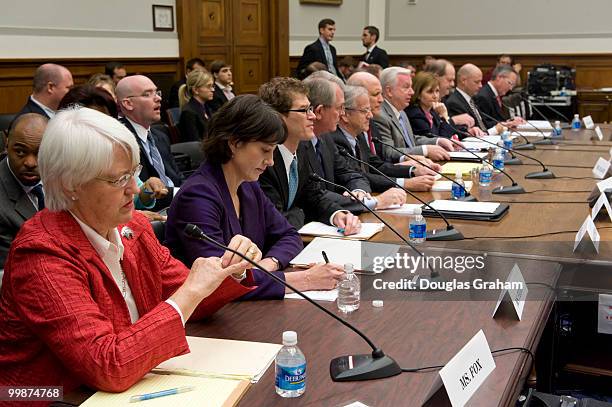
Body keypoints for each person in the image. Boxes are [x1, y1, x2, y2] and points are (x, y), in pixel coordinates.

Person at [0, 107, 260, 393]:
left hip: (129, 387)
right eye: (118, 180)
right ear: (69, 184)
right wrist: (190, 292)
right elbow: (107, 365)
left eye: (133, 174)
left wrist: (230, 268)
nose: (134, 190)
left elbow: (189, 298)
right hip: (55, 397)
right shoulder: (41, 252)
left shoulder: (133, 226)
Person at [166, 95, 345, 299]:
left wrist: (268, 265)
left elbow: (289, 235)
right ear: (234, 143)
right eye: (265, 150)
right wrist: (305, 280)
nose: (270, 162)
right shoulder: (197, 196)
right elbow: (220, 280)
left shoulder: (249, 186)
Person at [258, 77, 360, 234]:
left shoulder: (301, 150)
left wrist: (337, 214)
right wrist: (301, 212)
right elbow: (275, 219)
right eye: (304, 110)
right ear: (278, 116)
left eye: (311, 109)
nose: (312, 116)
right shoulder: (264, 161)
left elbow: (313, 196)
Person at [58, 85, 169, 218]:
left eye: (107, 120)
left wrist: (147, 190)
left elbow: (135, 195)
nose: (103, 127)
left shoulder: (115, 150)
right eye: (92, 122)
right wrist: (133, 218)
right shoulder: (62, 162)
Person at [347, 71, 439, 192]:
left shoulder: (371, 122)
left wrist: (412, 170)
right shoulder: (367, 122)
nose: (381, 99)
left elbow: (375, 164)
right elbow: (359, 174)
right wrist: (404, 182)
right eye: (376, 94)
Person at [116, 75, 182, 210]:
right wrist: (185, 193)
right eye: (147, 94)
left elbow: (176, 176)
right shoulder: (120, 140)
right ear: (128, 104)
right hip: (152, 210)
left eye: (157, 93)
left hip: (177, 203)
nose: (158, 98)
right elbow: (141, 193)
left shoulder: (160, 135)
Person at [373, 67, 455, 163]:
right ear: (389, 91)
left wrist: (437, 141)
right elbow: (388, 153)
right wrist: (425, 150)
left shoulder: (402, 112)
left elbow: (410, 140)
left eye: (411, 87)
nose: (412, 92)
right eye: (406, 87)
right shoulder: (380, 116)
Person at [0, 114, 47, 271]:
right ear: (7, 143)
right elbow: (10, 272)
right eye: (20, 152)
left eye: (40, 153)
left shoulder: (65, 177)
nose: (30, 163)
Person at [445, 63, 504, 136]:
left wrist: (503, 124)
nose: (480, 85)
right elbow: (466, 134)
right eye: (477, 82)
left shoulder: (471, 99)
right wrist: (494, 130)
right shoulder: (454, 103)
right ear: (463, 80)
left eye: (481, 82)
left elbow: (483, 123)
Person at [10, 63, 73, 128]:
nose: (72, 92)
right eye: (69, 88)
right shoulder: (25, 123)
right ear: (50, 87)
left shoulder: (64, 111)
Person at [422, 59, 476, 131]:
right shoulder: (424, 104)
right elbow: (433, 134)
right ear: (436, 78)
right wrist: (454, 120)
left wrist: (468, 131)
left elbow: (452, 129)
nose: (453, 84)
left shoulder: (445, 99)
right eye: (449, 80)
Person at [406, 72, 457, 139]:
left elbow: (450, 132)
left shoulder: (432, 112)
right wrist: (445, 116)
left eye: (437, 91)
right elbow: (439, 140)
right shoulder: (415, 114)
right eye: (430, 92)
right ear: (418, 94)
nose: (435, 96)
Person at [178, 70, 214, 141]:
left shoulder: (207, 108)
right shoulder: (188, 112)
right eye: (208, 86)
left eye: (213, 86)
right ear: (196, 90)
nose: (212, 90)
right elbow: (195, 142)